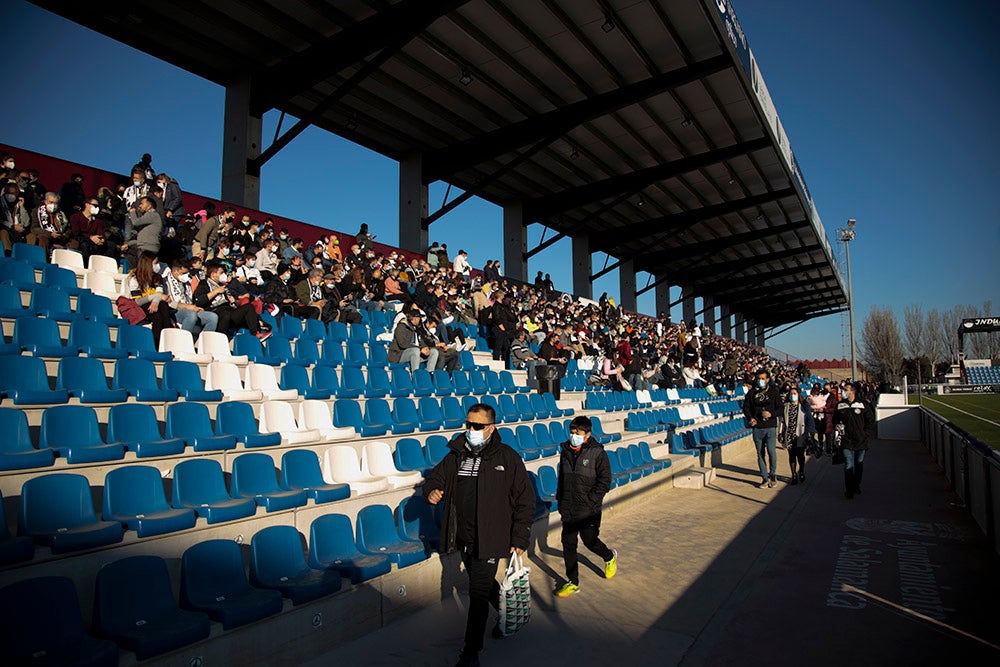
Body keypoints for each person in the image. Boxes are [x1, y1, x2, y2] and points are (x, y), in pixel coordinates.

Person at [423, 403, 535, 667]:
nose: (471, 430)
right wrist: (432, 491)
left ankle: (471, 652)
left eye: (477, 426)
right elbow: (435, 479)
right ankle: (505, 615)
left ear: (491, 428)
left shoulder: (507, 457)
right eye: (468, 425)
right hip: (463, 536)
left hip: (492, 536)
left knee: (476, 593)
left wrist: (519, 537)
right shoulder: (456, 454)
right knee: (480, 585)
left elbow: (524, 500)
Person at [553, 416, 617, 598]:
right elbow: (562, 478)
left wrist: (592, 500)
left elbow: (605, 480)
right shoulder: (565, 450)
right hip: (568, 506)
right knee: (568, 544)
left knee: (590, 541)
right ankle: (573, 582)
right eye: (572, 432)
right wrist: (561, 500)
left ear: (587, 434)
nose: (574, 436)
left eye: (578, 433)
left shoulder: (597, 453)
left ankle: (609, 557)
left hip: (589, 508)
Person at [193, 261, 269, 340]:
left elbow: (233, 302)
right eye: (221, 273)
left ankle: (256, 334)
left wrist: (233, 301)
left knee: (249, 307)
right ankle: (219, 339)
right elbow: (199, 301)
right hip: (215, 310)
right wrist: (216, 291)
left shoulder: (223, 286)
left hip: (229, 310)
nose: (224, 275)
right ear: (213, 274)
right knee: (225, 315)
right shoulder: (204, 284)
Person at [834, 381, 876, 499]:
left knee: (858, 464)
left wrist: (866, 434)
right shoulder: (840, 405)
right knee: (848, 464)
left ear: (852, 391)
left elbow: (871, 421)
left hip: (860, 440)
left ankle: (856, 484)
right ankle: (849, 489)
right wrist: (836, 425)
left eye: (846, 390)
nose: (843, 392)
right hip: (846, 440)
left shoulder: (863, 405)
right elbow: (835, 419)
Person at [743, 368, 782, 488]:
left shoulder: (774, 392)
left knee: (771, 451)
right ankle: (764, 478)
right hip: (757, 427)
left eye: (763, 379)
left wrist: (771, 414)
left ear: (768, 379)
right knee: (760, 453)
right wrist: (751, 418)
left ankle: (773, 474)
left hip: (770, 426)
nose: (761, 381)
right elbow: (746, 408)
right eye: (759, 379)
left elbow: (780, 408)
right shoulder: (752, 393)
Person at [126, 251, 174, 346]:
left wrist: (156, 301)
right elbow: (138, 301)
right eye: (155, 263)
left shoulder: (157, 277)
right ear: (147, 264)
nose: (158, 265)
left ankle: (166, 340)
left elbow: (159, 293)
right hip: (140, 306)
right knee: (157, 316)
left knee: (163, 306)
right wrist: (157, 298)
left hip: (155, 304)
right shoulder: (134, 278)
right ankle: (155, 344)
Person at [164, 258, 218, 340]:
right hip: (174, 311)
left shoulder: (187, 282)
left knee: (212, 317)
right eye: (183, 273)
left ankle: (203, 344)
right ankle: (183, 343)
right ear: (175, 271)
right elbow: (169, 303)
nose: (186, 275)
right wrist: (189, 307)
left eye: (187, 273)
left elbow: (192, 298)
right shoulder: (165, 282)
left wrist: (195, 307)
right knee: (191, 315)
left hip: (190, 308)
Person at [779, 388, 816, 485]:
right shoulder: (786, 406)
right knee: (791, 455)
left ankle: (802, 471)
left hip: (800, 433)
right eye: (791, 394)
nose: (792, 395)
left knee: (800, 455)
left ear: (798, 394)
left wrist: (810, 432)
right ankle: (794, 475)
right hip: (789, 433)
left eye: (794, 393)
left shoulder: (803, 406)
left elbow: (809, 419)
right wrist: (780, 433)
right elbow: (782, 421)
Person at [491, 290, 518, 369]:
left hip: (505, 329)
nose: (504, 296)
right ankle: (496, 362)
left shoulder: (502, 306)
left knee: (506, 347)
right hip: (499, 329)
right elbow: (497, 318)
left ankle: (505, 364)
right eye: (503, 294)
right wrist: (502, 328)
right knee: (498, 345)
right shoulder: (496, 306)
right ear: (500, 296)